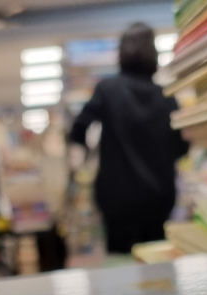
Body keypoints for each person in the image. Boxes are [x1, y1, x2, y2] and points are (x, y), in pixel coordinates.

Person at [69, 23, 190, 253]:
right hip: (159, 197)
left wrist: (94, 154)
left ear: (121, 53)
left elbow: (78, 130)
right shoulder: (167, 97)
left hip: (116, 198)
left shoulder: (106, 91)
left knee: (122, 263)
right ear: (153, 53)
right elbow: (182, 147)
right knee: (155, 260)